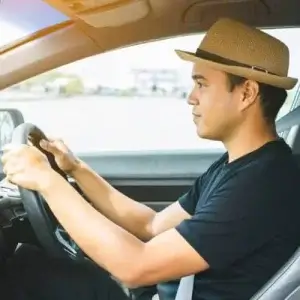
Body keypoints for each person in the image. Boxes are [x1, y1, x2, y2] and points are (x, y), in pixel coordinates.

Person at [1, 17, 300, 300]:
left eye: (202, 83)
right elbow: (152, 225)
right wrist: (76, 169)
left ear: (247, 92)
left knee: (23, 276)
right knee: (28, 264)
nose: (190, 97)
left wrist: (49, 181)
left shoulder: (263, 183)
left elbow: (136, 267)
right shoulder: (237, 166)